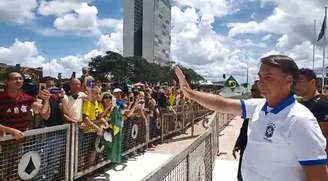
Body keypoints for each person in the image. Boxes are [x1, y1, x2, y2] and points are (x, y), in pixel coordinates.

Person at [174, 55, 328, 181]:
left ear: (289, 80)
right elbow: (222, 104)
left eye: (269, 77)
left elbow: (318, 175)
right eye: (260, 76)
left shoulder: (300, 120)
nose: (261, 82)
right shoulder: (258, 106)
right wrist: (191, 94)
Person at [0, 70, 51, 140]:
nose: (18, 81)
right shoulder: (1, 98)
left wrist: (46, 100)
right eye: (15, 79)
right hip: (3, 141)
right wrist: (12, 131)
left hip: (21, 141)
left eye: (20, 78)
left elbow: (45, 115)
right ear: (7, 82)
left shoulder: (27, 98)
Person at [233, 80, 262, 181]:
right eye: (252, 90)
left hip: (259, 153)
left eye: (255, 90)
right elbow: (244, 128)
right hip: (245, 149)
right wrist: (238, 143)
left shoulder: (268, 109)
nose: (252, 93)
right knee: (241, 177)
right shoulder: (252, 107)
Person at [296, 68, 328, 155]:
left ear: (312, 82)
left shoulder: (322, 104)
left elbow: (325, 137)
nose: (296, 85)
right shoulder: (299, 104)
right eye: (295, 82)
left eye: (300, 81)